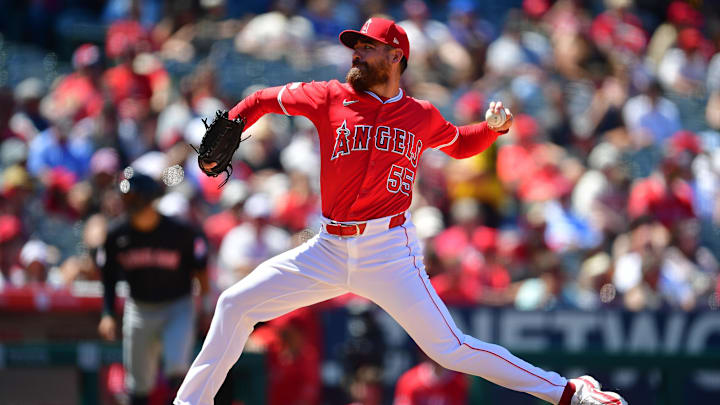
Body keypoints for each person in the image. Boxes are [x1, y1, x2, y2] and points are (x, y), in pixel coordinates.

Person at [176, 17, 627, 405]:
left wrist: (491, 130)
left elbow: (459, 142)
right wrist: (234, 120)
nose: (356, 54)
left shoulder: (420, 114)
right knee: (235, 303)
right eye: (356, 47)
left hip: (389, 251)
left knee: (451, 349)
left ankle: (569, 392)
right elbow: (261, 100)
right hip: (328, 247)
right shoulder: (329, 96)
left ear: (395, 57)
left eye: (367, 47)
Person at [97, 172, 210, 405]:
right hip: (140, 307)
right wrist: (107, 312)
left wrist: (206, 305)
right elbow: (108, 277)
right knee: (138, 384)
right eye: (125, 198)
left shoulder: (180, 232)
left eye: (132, 198)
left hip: (177, 305)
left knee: (177, 369)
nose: (126, 203)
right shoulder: (116, 234)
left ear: (147, 199)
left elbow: (200, 269)